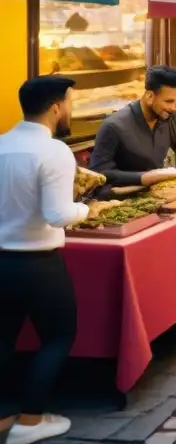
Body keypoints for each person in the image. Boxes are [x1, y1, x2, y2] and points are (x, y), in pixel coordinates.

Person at [0, 77, 91, 444]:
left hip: (2, 260)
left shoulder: (2, 145)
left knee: (2, 339)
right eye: (70, 103)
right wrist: (86, 207)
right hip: (39, 263)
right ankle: (32, 420)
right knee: (57, 337)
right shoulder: (55, 152)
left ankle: (5, 415)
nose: (71, 110)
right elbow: (57, 214)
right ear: (56, 107)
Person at [89, 66, 176, 187]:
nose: (175, 108)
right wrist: (143, 178)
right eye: (169, 101)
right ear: (149, 96)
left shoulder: (171, 117)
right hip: (123, 198)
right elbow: (99, 173)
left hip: (158, 191)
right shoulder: (113, 126)